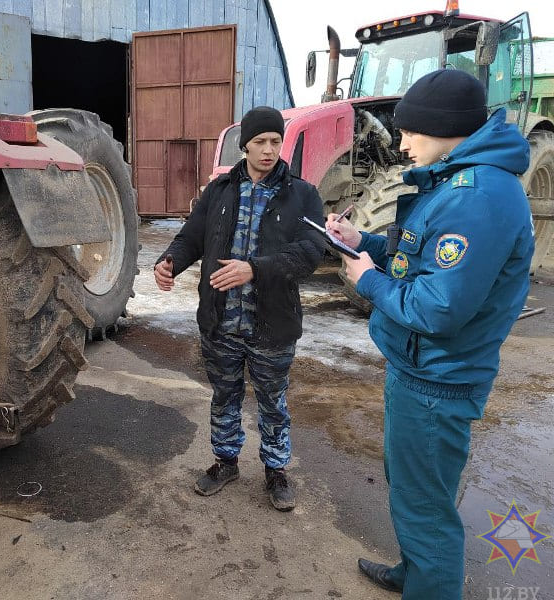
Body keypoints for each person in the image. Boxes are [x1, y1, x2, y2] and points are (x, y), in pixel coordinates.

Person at [326, 70, 535, 598]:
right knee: (413, 492)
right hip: (420, 370)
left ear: (443, 129)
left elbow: (440, 308)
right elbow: (417, 255)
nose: (401, 143)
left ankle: (430, 579)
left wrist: (367, 281)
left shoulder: (478, 197)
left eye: (410, 131)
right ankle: (415, 571)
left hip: (437, 380)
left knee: (426, 507)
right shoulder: (458, 180)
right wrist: (365, 242)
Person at [154, 105, 325, 511]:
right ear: (244, 144)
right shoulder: (220, 191)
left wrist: (255, 269)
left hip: (272, 325)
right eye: (260, 142)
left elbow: (311, 252)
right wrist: (170, 262)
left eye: (275, 141)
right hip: (221, 322)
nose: (269, 150)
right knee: (224, 397)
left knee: (272, 402)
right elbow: (192, 236)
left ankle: (276, 470)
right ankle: (225, 461)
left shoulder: (302, 194)